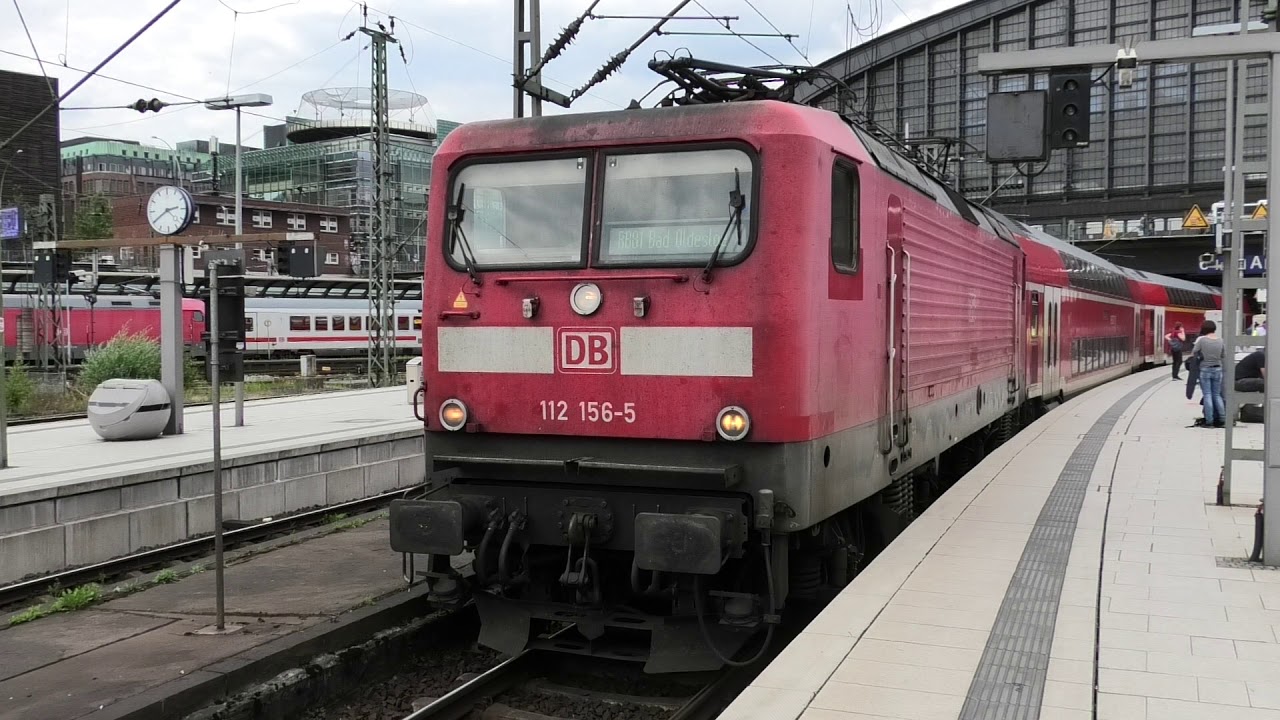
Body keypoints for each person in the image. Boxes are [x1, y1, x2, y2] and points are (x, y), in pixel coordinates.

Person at [1192, 320, 1226, 428]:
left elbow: (1194, 351)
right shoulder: (1221, 340)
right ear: (1214, 328)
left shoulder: (1202, 340)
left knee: (1207, 395)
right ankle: (1222, 419)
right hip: (1218, 369)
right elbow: (1223, 355)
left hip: (1205, 369)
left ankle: (1209, 421)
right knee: (1216, 395)